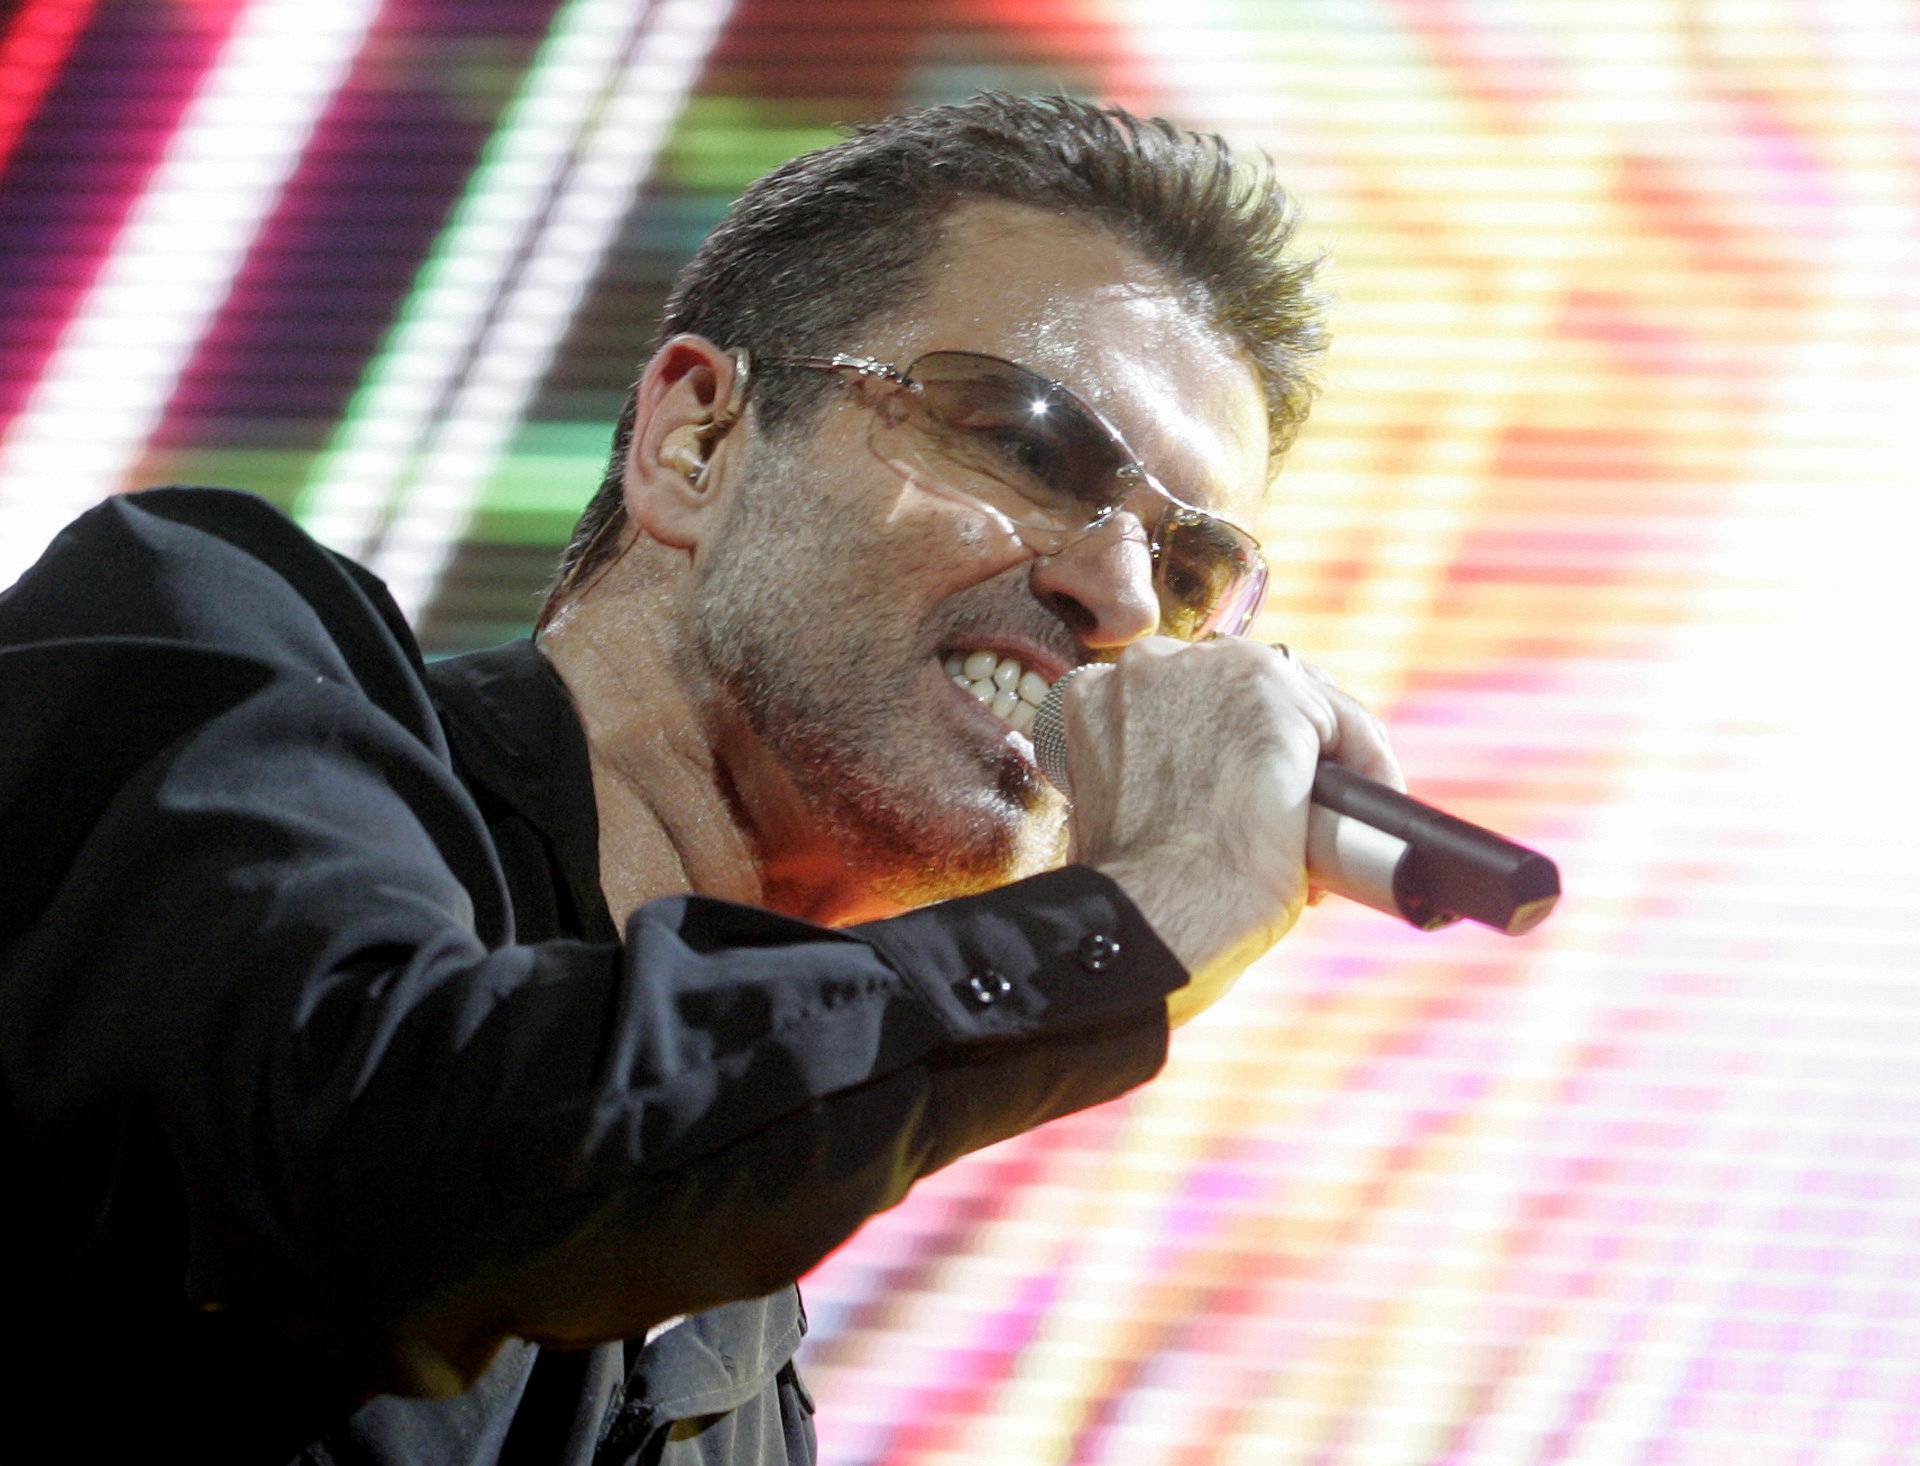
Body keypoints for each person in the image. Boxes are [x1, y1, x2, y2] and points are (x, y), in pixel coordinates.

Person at [0, 94, 1401, 1463]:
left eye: (1190, 570)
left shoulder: (740, 1370)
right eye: (1031, 444)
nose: (1119, 597)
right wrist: (1129, 924)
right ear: (696, 439)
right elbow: (367, 1149)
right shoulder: (214, 637)